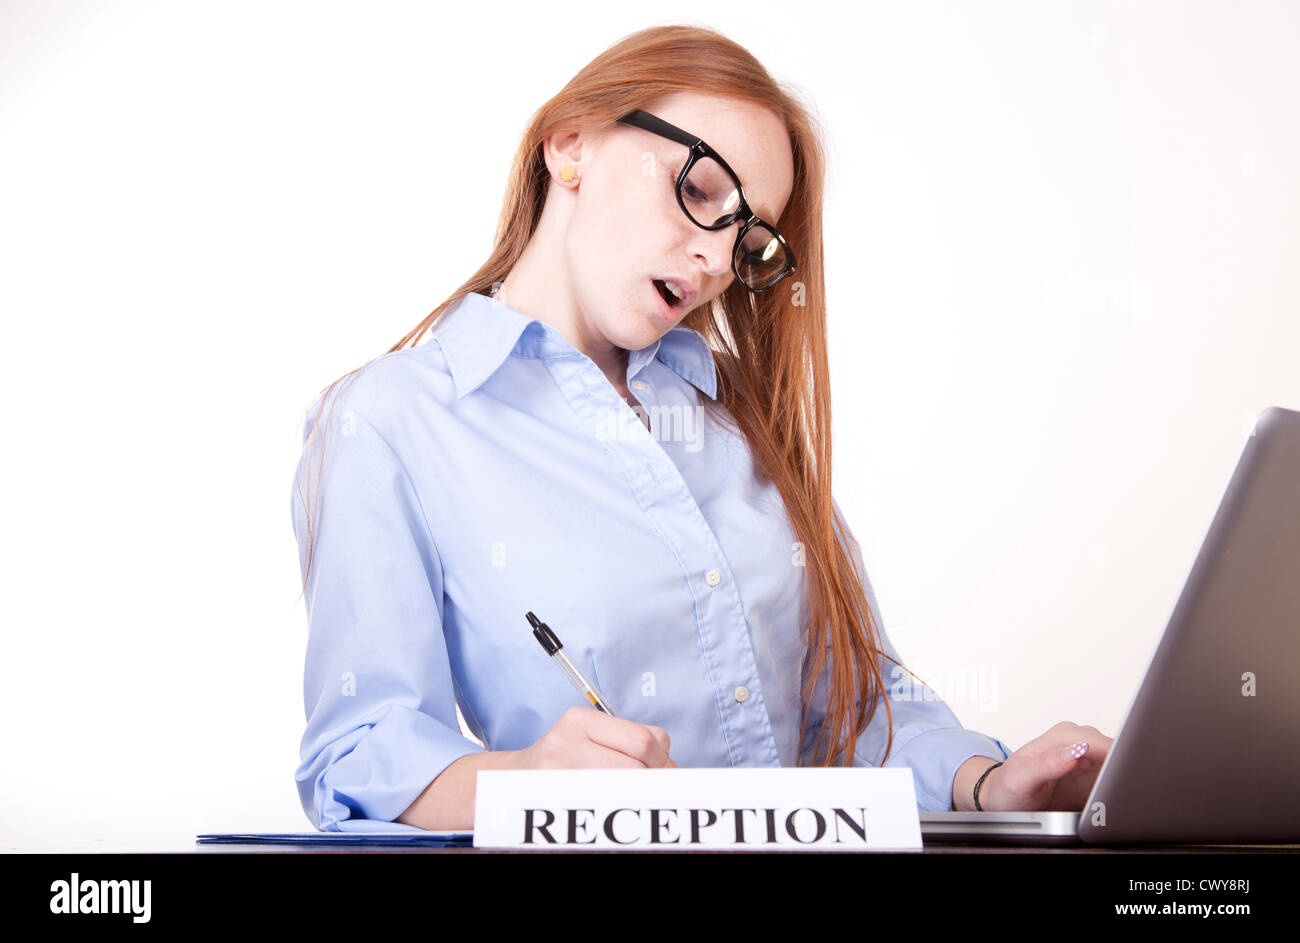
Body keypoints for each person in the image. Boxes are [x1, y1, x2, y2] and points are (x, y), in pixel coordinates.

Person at [289, 24, 1113, 832]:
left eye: (749, 239)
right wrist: (522, 780)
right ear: (569, 145)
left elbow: (860, 717)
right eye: (700, 191)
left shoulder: (735, 423)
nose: (720, 260)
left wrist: (989, 785)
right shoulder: (390, 421)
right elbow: (360, 752)